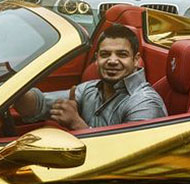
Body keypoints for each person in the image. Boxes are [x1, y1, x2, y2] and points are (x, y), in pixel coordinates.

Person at [14, 24, 167, 130]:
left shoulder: (144, 103)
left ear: (135, 60)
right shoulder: (89, 89)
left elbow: (130, 158)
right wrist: (13, 86)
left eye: (122, 55)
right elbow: (36, 106)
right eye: (105, 54)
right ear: (97, 59)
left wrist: (76, 123)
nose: (112, 61)